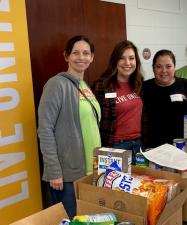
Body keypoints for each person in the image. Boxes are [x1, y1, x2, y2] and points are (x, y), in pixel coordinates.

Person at [38, 35, 100, 218]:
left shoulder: (84, 86)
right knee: (71, 220)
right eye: (75, 53)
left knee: (86, 219)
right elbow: (45, 129)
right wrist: (54, 171)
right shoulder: (56, 84)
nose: (81, 57)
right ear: (66, 56)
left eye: (86, 53)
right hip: (66, 175)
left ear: (92, 57)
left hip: (89, 170)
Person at [93, 40, 143, 163]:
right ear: (115, 61)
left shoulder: (139, 84)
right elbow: (94, 121)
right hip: (115, 146)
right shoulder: (102, 86)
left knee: (141, 182)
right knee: (117, 182)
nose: (127, 63)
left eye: (131, 58)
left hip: (138, 145)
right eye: (122, 58)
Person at [142, 49, 187, 148]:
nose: (164, 71)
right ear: (153, 68)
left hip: (182, 145)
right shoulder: (144, 88)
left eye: (168, 66)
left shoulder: (186, 86)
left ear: (174, 68)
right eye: (159, 67)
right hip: (152, 146)